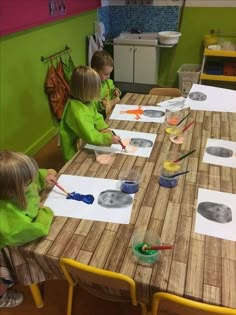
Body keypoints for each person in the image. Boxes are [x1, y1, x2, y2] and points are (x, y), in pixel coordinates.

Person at [0, 151, 56, 308]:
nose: (32, 183)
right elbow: (34, 230)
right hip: (4, 245)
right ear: (12, 190)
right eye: (27, 182)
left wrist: (46, 175)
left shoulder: (14, 183)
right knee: (4, 277)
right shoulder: (8, 214)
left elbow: (35, 176)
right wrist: (45, 212)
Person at [59, 65, 120, 161]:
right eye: (95, 90)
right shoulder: (78, 112)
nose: (98, 92)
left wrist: (104, 128)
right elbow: (90, 135)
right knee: (76, 169)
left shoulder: (87, 100)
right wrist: (108, 139)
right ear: (86, 91)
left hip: (83, 140)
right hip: (74, 149)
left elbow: (96, 116)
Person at [91, 50, 121, 118]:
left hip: (109, 112)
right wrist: (101, 105)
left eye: (110, 73)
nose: (109, 76)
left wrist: (116, 91)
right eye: (106, 74)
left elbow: (113, 89)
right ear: (95, 71)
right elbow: (90, 103)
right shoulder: (91, 86)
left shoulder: (109, 82)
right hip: (97, 116)